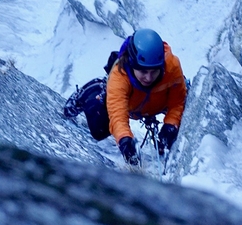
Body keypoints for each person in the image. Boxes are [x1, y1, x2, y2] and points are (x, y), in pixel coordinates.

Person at [64, 28, 187, 166]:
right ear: (132, 64)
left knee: (187, 108)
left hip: (157, 102)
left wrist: (171, 124)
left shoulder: (172, 66)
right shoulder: (119, 77)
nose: (149, 77)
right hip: (130, 104)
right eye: (143, 71)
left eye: (154, 71)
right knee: (98, 130)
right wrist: (125, 140)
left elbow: (178, 101)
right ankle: (93, 90)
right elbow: (117, 116)